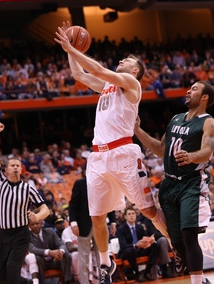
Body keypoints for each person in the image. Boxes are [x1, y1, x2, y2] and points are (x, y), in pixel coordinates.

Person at [55, 22, 169, 284]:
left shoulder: (131, 83)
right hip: (97, 156)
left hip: (123, 153)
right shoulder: (107, 87)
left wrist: (72, 46)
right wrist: (69, 51)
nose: (121, 59)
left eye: (127, 59)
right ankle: (106, 264)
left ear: (135, 70)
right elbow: (80, 75)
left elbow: (95, 68)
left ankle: (177, 245)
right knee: (96, 216)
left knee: (149, 211)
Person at [134, 81, 214, 284]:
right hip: (169, 184)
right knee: (177, 240)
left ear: (205, 97)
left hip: (190, 183)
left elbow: (207, 150)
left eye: (195, 89)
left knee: (189, 234)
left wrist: (192, 157)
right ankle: (200, 277)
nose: (188, 90)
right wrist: (138, 131)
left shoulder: (208, 122)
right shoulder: (176, 118)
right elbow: (160, 149)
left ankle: (197, 282)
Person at [0, 122, 50, 284]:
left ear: (21, 169)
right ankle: (29, 283)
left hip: (21, 235)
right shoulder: (0, 181)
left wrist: (36, 216)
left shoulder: (28, 188)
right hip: (2, 234)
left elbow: (46, 209)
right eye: (12, 165)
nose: (15, 167)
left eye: (18, 165)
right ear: (7, 169)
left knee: (12, 269)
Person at [116, 207, 159, 282]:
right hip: (128, 253)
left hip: (140, 250)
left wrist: (150, 241)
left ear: (136, 215)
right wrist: (135, 246)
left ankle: (147, 272)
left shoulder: (140, 227)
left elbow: (145, 238)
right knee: (129, 250)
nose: (131, 216)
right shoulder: (121, 229)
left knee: (155, 246)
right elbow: (123, 246)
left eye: (133, 214)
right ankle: (137, 273)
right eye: (129, 214)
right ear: (125, 216)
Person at [28, 218, 72, 284]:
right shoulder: (27, 236)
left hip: (55, 260)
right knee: (37, 257)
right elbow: (32, 249)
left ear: (40, 224)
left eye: (37, 224)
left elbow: (61, 244)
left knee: (65, 253)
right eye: (32, 224)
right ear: (29, 226)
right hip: (41, 263)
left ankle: (68, 281)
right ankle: (40, 282)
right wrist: (49, 252)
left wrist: (60, 252)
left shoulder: (50, 231)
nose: (35, 226)